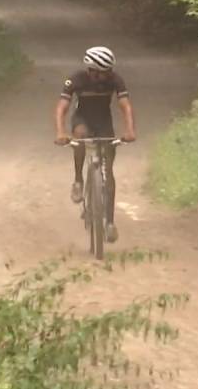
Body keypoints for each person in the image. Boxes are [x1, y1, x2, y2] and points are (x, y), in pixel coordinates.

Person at [54, 46, 137, 243]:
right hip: (82, 119)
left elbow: (125, 105)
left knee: (109, 171)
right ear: (91, 70)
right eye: (102, 73)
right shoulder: (76, 79)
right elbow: (62, 107)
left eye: (109, 71)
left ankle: (109, 222)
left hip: (104, 123)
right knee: (80, 136)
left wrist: (130, 130)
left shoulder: (115, 79)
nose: (107, 76)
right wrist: (60, 132)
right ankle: (78, 180)